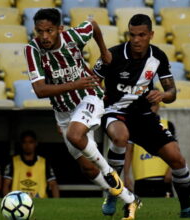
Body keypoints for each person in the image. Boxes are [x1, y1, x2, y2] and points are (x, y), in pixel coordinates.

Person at [24, 8, 140, 219]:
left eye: (49, 31)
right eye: (39, 31)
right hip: (63, 111)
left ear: (59, 29)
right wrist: (74, 83)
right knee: (87, 168)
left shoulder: (73, 36)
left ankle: (109, 173)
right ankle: (130, 199)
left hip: (89, 96)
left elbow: (93, 25)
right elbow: (40, 90)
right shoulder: (32, 49)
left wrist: (104, 51)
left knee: (75, 136)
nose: (44, 37)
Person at [93, 14, 190, 218]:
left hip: (144, 116)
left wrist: (163, 94)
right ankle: (113, 192)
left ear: (151, 35)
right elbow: (91, 83)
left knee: (177, 159)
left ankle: (186, 209)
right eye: (132, 34)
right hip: (115, 111)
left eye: (142, 35)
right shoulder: (113, 55)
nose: (136, 39)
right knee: (120, 137)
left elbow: (172, 93)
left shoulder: (158, 57)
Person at [123, 103, 174, 198]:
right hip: (141, 178)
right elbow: (128, 152)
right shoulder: (133, 125)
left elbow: (174, 149)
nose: (151, 107)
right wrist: (126, 175)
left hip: (163, 178)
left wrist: (171, 170)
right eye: (148, 105)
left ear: (158, 105)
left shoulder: (167, 124)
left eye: (153, 104)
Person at [3, 130, 60, 198]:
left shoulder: (44, 162)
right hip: (17, 203)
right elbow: (6, 185)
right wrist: (8, 202)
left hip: (41, 202)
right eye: (25, 142)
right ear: (21, 144)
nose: (27, 145)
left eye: (30, 142)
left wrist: (56, 202)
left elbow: (53, 184)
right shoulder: (13, 162)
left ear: (36, 143)